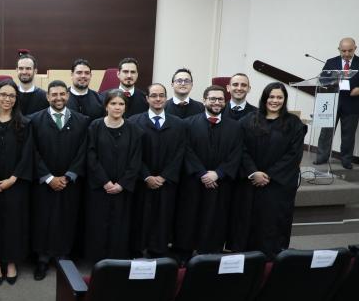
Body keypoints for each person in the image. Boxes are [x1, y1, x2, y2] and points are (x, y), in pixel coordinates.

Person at [230, 83, 307, 257]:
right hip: (250, 183)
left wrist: (269, 175)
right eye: (271, 97)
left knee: (273, 223)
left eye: (279, 97)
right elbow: (240, 149)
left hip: (278, 186)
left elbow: (294, 155)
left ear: (284, 100)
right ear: (264, 98)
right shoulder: (248, 120)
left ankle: (272, 259)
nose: (275, 100)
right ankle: (246, 258)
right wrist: (253, 172)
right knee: (247, 222)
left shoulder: (293, 124)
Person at [173, 86, 242, 259]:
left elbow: (236, 153)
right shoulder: (188, 124)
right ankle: (185, 255)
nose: (216, 102)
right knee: (189, 218)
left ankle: (211, 254)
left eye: (220, 99)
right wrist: (202, 173)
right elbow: (185, 151)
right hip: (194, 182)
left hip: (221, 182)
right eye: (212, 99)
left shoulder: (235, 127)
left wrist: (218, 173)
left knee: (216, 219)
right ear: (204, 100)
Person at [29, 80, 89, 280]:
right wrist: (47, 177)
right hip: (44, 183)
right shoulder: (34, 121)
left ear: (68, 95)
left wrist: (69, 175)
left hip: (69, 182)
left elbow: (83, 152)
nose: (58, 98)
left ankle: (63, 257)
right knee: (43, 219)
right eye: (54, 94)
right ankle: (43, 259)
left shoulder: (82, 121)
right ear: (47, 97)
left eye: (62, 94)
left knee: (67, 218)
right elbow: (32, 152)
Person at [0, 79, 33, 285]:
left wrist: (13, 178)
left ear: (16, 99)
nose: (7, 99)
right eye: (3, 95)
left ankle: (11, 262)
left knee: (14, 224)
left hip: (16, 184)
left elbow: (27, 154)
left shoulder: (25, 124)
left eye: (11, 95)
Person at [129, 83, 187, 257]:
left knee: (163, 216)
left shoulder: (178, 124)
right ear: (147, 99)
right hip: (142, 181)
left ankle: (158, 250)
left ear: (166, 98)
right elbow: (133, 154)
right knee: (140, 215)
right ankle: (138, 250)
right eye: (153, 95)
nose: (158, 99)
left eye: (161, 95)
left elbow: (180, 153)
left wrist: (164, 176)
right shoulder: (133, 122)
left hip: (167, 182)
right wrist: (146, 176)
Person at [84, 89, 142, 261]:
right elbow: (91, 156)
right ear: (106, 106)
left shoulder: (134, 129)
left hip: (123, 188)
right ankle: (97, 261)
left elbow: (135, 159)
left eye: (121, 104)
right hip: (100, 188)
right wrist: (105, 182)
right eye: (113, 103)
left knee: (120, 225)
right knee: (98, 224)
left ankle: (117, 260)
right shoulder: (95, 126)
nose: (117, 107)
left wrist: (122, 184)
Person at [315, 37, 359, 169]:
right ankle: (321, 157)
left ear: (355, 48)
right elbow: (322, 81)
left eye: (350, 51)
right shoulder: (331, 62)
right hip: (331, 102)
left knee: (348, 134)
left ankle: (346, 160)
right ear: (339, 49)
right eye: (343, 51)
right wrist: (332, 82)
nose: (346, 54)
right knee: (326, 133)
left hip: (352, 103)